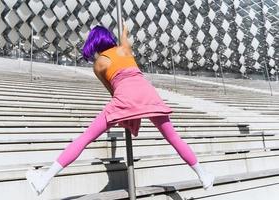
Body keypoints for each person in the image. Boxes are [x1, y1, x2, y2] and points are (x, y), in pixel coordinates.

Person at [25, 22, 214, 196]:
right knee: (173, 137)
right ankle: (203, 174)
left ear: (93, 42)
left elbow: (113, 91)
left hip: (124, 95)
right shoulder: (124, 49)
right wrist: (123, 29)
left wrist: (123, 114)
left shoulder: (99, 64)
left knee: (85, 138)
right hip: (147, 92)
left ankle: (44, 179)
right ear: (108, 38)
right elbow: (124, 36)